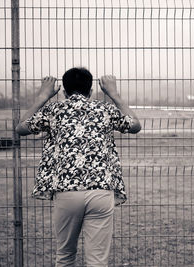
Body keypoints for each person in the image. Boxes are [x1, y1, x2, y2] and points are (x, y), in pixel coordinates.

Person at [15, 67, 141, 266]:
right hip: (101, 190)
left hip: (66, 191)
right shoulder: (105, 110)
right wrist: (113, 94)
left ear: (63, 92)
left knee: (65, 255)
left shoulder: (53, 111)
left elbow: (21, 127)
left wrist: (43, 96)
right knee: (97, 260)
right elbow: (135, 125)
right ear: (91, 91)